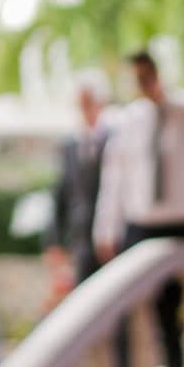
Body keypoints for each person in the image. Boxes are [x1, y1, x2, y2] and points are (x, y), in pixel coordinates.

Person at [93, 48, 184, 367]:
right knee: (161, 308)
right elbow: (115, 180)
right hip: (145, 225)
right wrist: (106, 229)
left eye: (147, 76)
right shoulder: (127, 122)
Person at [48, 74, 108, 288]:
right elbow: (60, 193)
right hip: (81, 238)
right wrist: (54, 239)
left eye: (89, 102)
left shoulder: (114, 138)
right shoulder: (69, 145)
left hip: (111, 237)